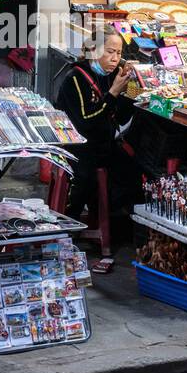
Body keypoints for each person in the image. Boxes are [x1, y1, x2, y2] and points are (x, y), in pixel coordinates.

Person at [53, 26, 136, 273]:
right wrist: (112, 94)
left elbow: (119, 118)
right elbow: (86, 122)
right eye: (109, 51)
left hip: (103, 144)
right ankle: (70, 229)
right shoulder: (75, 79)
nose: (114, 58)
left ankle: (114, 225)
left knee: (132, 171)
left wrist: (128, 92)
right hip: (78, 146)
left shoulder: (111, 75)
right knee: (86, 178)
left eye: (118, 53)